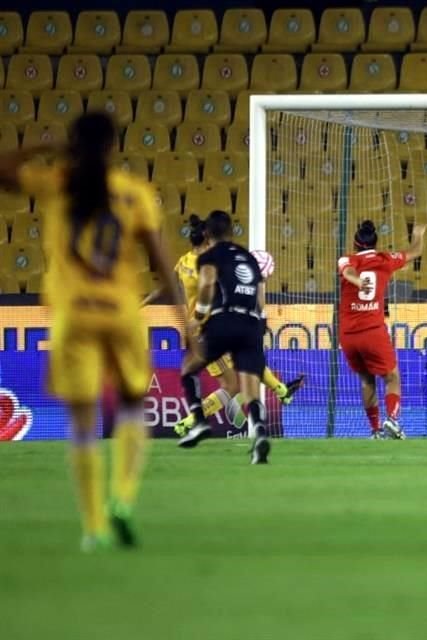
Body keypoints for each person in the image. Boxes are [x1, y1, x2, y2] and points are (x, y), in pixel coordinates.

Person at [0, 112, 195, 550]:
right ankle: (122, 499)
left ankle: (93, 527)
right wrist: (186, 323)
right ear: (113, 146)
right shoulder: (133, 194)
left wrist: (44, 144)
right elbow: (162, 264)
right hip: (121, 312)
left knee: (83, 423)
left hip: (73, 315)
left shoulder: (57, 185)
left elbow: (3, 170)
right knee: (129, 409)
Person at [143, 214, 305, 436]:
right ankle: (189, 422)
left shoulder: (183, 263)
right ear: (207, 239)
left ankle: (282, 391)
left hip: (202, 329)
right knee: (234, 379)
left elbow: (165, 288)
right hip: (212, 327)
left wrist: (143, 301)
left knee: (238, 372)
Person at [176, 211, 271, 464]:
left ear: (207, 234)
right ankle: (260, 432)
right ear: (232, 231)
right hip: (251, 324)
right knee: (250, 388)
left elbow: (206, 284)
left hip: (224, 321)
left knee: (188, 367)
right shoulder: (250, 258)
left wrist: (199, 315)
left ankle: (198, 421)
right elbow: (260, 297)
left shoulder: (209, 256)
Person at [338, 220, 427, 439]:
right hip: (372, 331)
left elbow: (348, 271)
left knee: (367, 380)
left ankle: (375, 430)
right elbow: (415, 252)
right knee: (392, 377)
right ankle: (393, 421)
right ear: (375, 243)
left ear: (355, 243)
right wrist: (418, 234)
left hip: (348, 335)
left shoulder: (346, 258)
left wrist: (356, 280)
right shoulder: (386, 260)